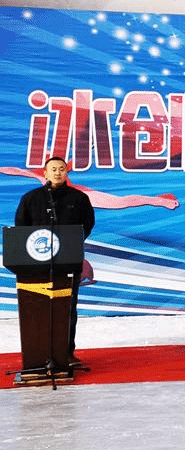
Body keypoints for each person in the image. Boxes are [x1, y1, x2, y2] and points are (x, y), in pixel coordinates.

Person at [15, 156, 95, 365]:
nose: (57, 172)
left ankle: (66, 353)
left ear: (66, 172)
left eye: (61, 169)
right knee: (39, 308)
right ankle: (39, 354)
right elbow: (21, 228)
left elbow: (87, 223)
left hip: (68, 262)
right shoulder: (31, 198)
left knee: (67, 308)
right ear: (45, 173)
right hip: (37, 265)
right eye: (53, 169)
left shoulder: (79, 198)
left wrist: (71, 244)